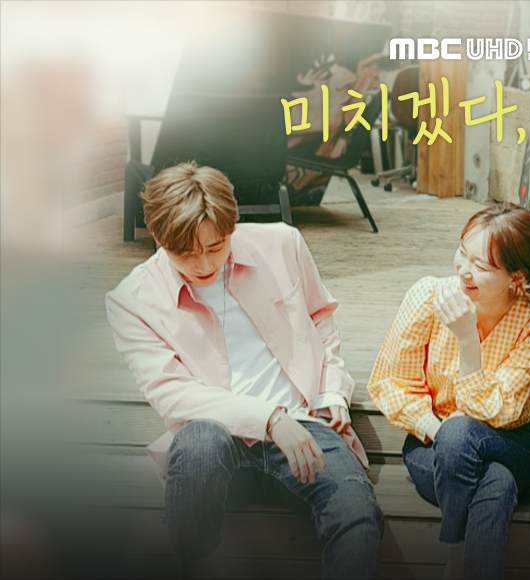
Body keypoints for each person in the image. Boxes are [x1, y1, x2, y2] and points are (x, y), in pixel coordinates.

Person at [105, 162, 382, 579]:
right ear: (159, 239)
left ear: (231, 227)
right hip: (218, 443)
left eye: (216, 246)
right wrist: (270, 419)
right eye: (185, 253)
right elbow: (172, 395)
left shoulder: (283, 244)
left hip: (305, 424)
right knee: (198, 443)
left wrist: (332, 391)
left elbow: (320, 317)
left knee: (357, 513)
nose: (203, 263)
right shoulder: (131, 300)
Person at [367, 203, 530, 579]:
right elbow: (390, 384)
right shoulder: (429, 296)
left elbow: (502, 410)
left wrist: (468, 340)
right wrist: (441, 430)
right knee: (495, 481)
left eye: (480, 266)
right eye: (462, 252)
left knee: (464, 434)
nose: (463, 270)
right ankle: (461, 561)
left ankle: (451, 549)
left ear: (515, 277)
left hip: (510, 442)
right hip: (433, 443)